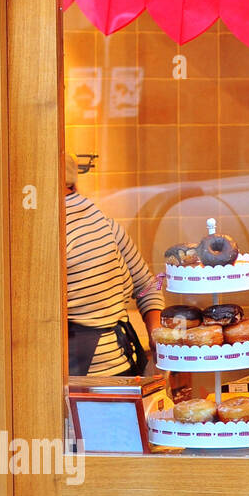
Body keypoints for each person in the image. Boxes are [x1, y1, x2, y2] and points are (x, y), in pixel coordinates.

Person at [64, 154, 162, 376]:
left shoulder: (51, 235)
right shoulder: (107, 226)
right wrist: (154, 329)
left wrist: (156, 333)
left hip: (81, 378)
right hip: (123, 365)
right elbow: (147, 286)